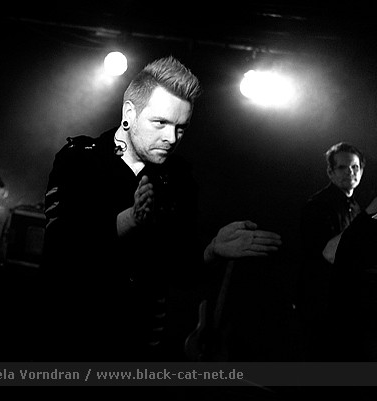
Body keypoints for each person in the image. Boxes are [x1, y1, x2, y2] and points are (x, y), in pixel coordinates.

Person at [36, 56, 282, 362]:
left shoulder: (179, 179)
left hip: (139, 348)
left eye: (181, 128)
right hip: (70, 342)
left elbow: (181, 270)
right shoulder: (80, 160)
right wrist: (130, 219)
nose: (171, 138)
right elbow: (62, 245)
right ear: (129, 113)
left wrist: (212, 252)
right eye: (160, 123)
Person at [299, 142, 377, 361]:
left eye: (355, 167)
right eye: (342, 167)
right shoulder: (318, 206)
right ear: (330, 172)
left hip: (349, 307)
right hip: (325, 310)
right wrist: (370, 215)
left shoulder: (355, 206)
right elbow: (329, 254)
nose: (350, 172)